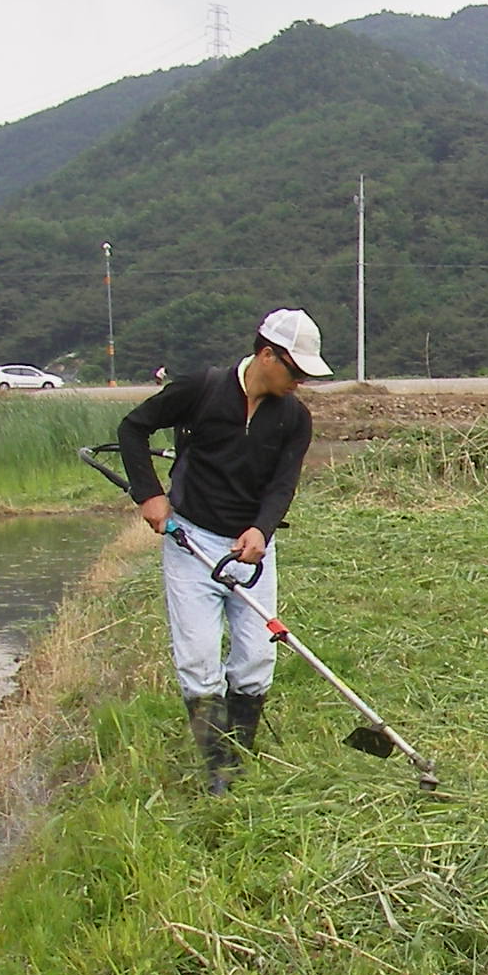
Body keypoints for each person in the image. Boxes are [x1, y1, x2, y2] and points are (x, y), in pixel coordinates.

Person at [116, 308, 327, 791]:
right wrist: (148, 494)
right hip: (192, 541)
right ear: (266, 355)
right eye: (294, 371)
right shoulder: (202, 389)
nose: (299, 383)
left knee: (256, 658)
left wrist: (262, 530)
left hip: (251, 546)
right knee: (198, 659)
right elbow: (133, 428)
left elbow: (283, 484)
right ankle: (220, 773)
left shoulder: (294, 418)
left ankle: (239, 753)